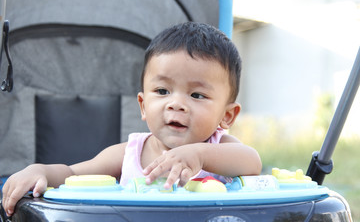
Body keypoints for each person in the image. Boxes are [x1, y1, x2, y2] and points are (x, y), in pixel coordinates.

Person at [1, 22, 262, 216]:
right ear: (143, 105)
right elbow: (71, 173)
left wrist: (200, 156)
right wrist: (41, 170)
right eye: (162, 91)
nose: (176, 104)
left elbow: (252, 162)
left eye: (197, 94)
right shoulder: (130, 153)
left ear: (227, 115)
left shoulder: (221, 147)